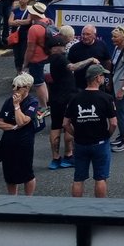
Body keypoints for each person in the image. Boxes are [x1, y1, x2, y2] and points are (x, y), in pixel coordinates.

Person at [65, 64, 116, 198]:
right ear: (97, 78)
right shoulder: (106, 98)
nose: (104, 78)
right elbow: (114, 123)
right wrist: (107, 135)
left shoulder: (75, 98)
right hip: (100, 142)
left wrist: (75, 134)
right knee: (100, 178)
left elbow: (65, 123)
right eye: (102, 76)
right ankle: (99, 209)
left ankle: (77, 208)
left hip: (80, 143)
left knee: (78, 178)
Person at [0, 72, 40, 196]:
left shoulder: (32, 102)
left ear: (27, 88)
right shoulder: (8, 101)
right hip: (8, 142)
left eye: (18, 87)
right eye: (13, 86)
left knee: (27, 173)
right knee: (9, 175)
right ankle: (12, 200)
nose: (14, 89)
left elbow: (22, 121)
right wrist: (13, 127)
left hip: (24, 143)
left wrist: (16, 106)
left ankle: (28, 200)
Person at [45, 32, 76, 169]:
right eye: (63, 46)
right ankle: (68, 155)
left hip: (54, 98)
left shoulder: (46, 61)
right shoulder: (61, 59)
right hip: (67, 98)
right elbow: (73, 67)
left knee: (55, 127)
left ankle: (55, 158)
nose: (65, 48)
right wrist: (90, 60)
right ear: (56, 47)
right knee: (68, 124)